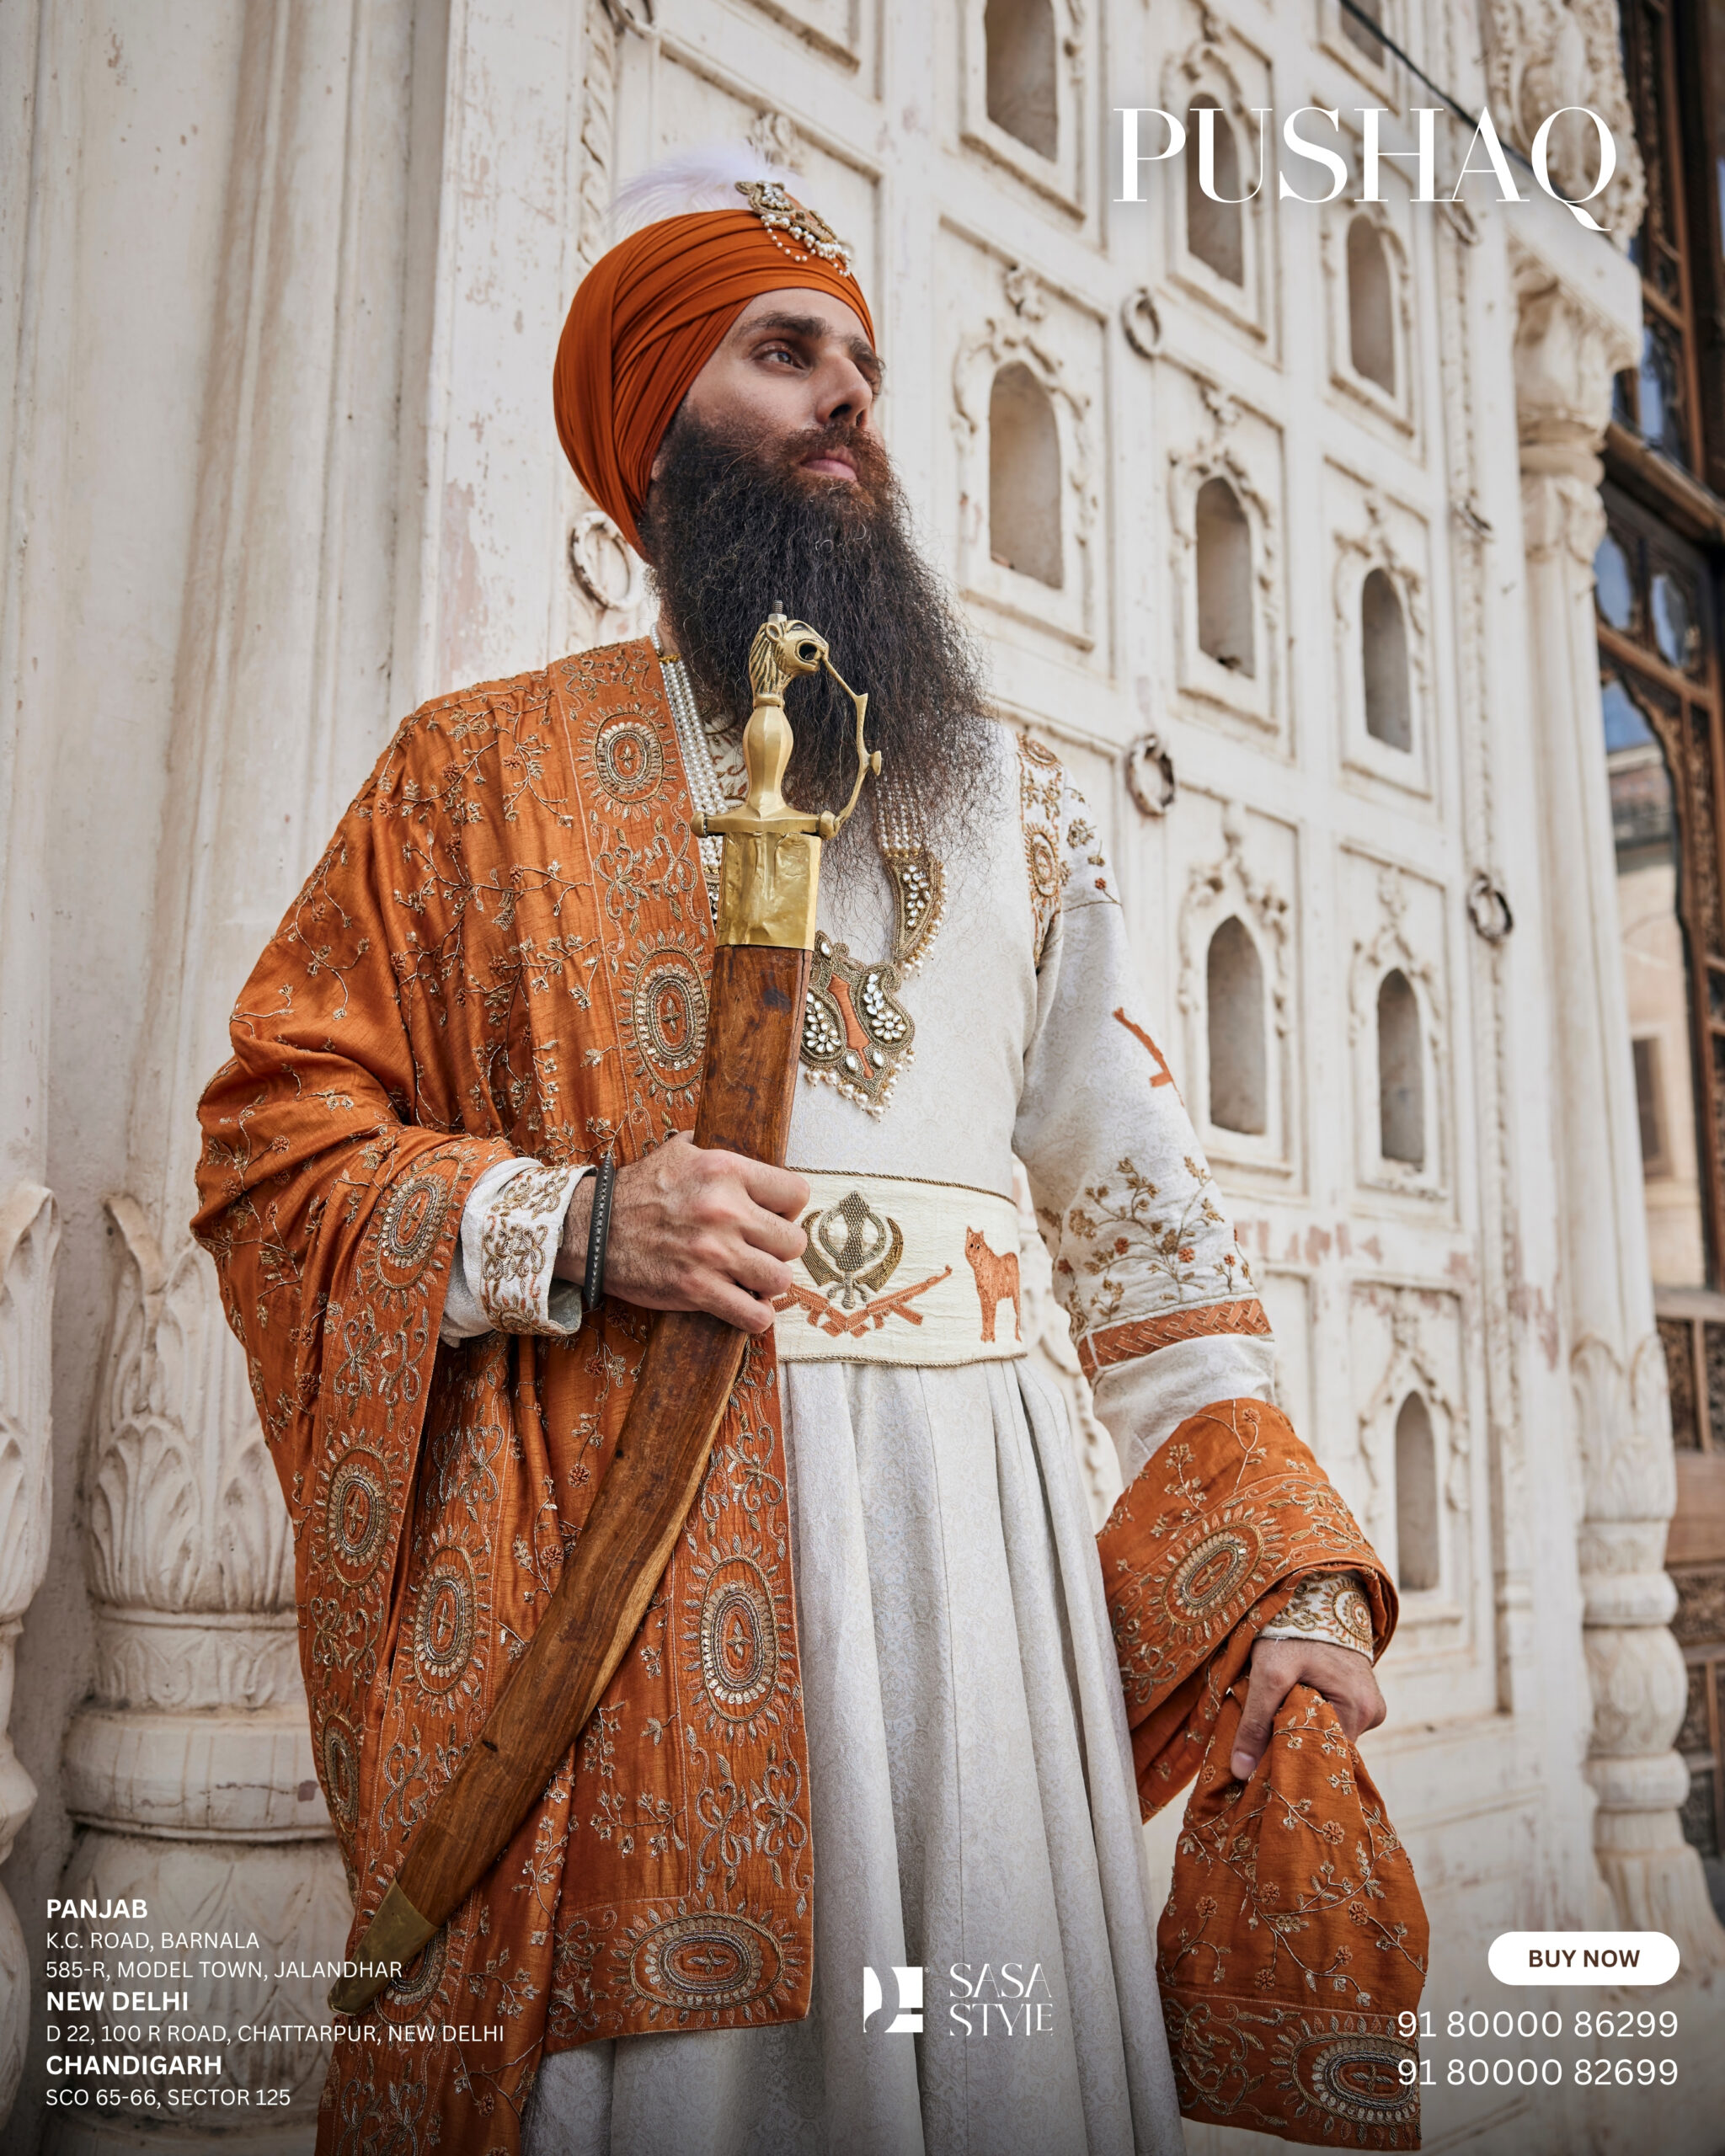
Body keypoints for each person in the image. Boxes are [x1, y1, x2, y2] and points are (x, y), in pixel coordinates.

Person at [193, 159, 1425, 2156]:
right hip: (639, 1578)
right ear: (655, 425)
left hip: (974, 1581)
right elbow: (273, 1148)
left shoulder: (1013, 801)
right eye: (782, 352)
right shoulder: (470, 778)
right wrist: (574, 1220)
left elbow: (1134, 1212)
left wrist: (1290, 1571)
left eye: (861, 360)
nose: (847, 393)